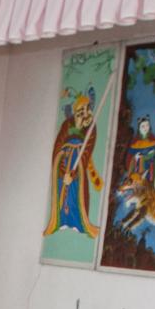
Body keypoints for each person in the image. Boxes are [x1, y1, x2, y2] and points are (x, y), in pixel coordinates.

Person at [43, 91, 103, 237]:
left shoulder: (91, 128)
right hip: (64, 162)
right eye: (81, 110)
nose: (85, 113)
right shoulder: (67, 124)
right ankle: (60, 221)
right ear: (76, 112)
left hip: (78, 166)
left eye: (87, 109)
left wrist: (74, 173)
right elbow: (58, 146)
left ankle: (78, 223)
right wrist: (63, 170)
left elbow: (87, 151)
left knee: (76, 193)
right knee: (62, 191)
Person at [125, 116, 155, 182]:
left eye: (147, 125)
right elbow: (129, 158)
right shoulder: (135, 144)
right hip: (138, 169)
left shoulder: (154, 141)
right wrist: (135, 157)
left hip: (150, 168)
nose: (145, 128)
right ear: (139, 128)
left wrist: (150, 155)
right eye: (143, 126)